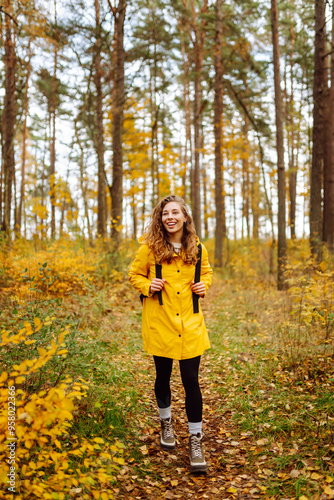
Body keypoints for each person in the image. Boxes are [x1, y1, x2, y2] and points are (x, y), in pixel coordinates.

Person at [128, 195, 213, 473]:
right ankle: (166, 423)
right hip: (160, 322)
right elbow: (134, 274)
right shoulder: (149, 249)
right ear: (160, 218)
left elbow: (207, 273)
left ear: (185, 217)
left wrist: (204, 286)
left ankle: (195, 439)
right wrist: (147, 283)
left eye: (175, 212)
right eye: (165, 213)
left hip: (190, 323)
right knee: (162, 376)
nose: (170, 217)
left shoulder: (199, 247)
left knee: (191, 380)